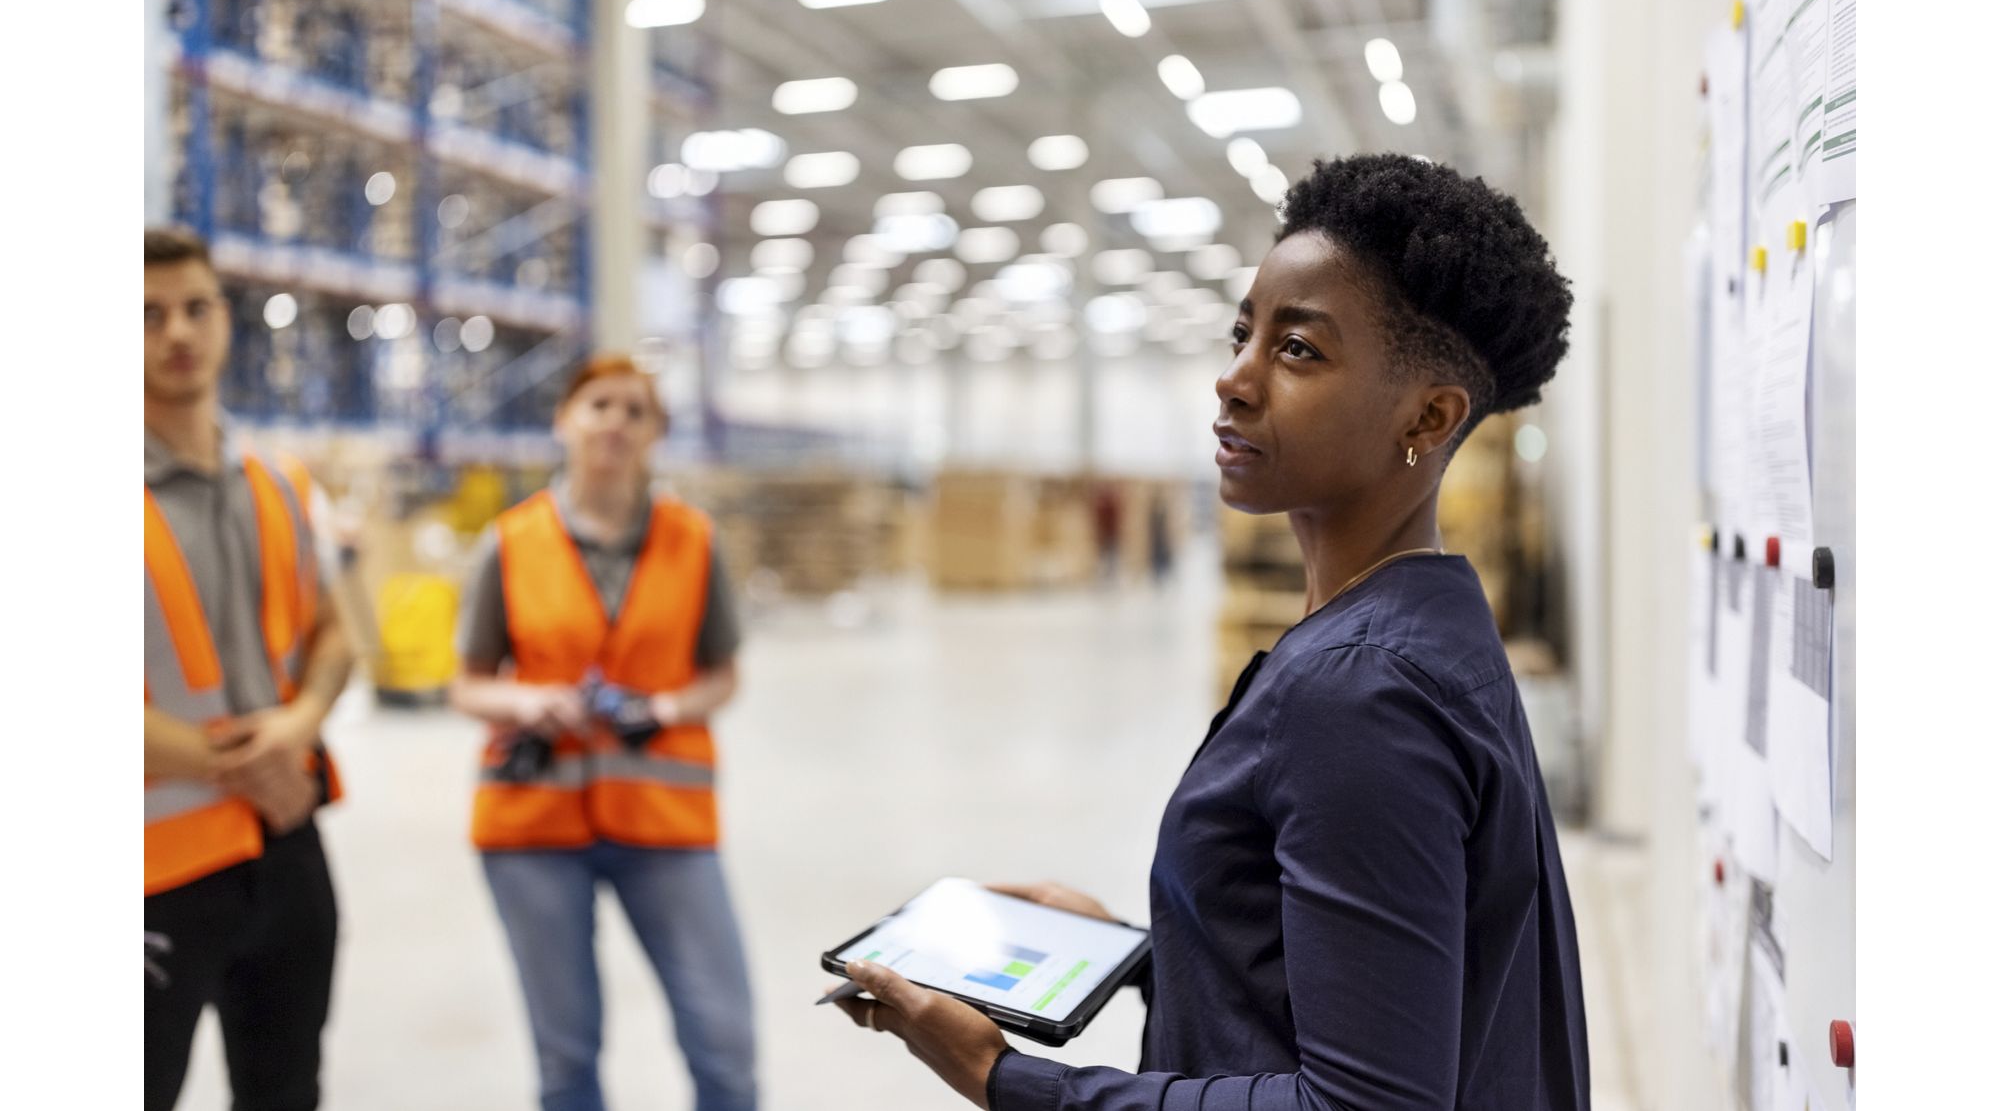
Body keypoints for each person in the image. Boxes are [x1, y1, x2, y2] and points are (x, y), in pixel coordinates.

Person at [828, 154, 1591, 1110]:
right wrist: (1160, 949)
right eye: (1244, 335)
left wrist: (1005, 1076)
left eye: (1298, 350)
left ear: (1428, 417)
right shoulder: (1429, 621)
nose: (1233, 380)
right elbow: (1383, 990)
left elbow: (1368, 1104)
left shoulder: (1358, 690)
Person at [450, 354, 757, 1111]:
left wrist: (665, 710)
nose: (615, 423)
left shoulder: (693, 540)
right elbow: (466, 681)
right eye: (599, 406)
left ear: (655, 432)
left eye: (634, 410)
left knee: (724, 1044)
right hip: (533, 829)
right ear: (565, 420)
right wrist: (526, 703)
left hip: (666, 822)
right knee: (567, 1058)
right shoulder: (511, 541)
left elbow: (723, 672)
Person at [144, 226, 354, 1110]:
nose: (177, 333)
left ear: (226, 322)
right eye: (147, 316)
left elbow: (335, 632)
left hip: (288, 846)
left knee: (286, 1090)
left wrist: (300, 725)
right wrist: (244, 762)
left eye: (195, 308)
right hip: (152, 867)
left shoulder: (282, 482)